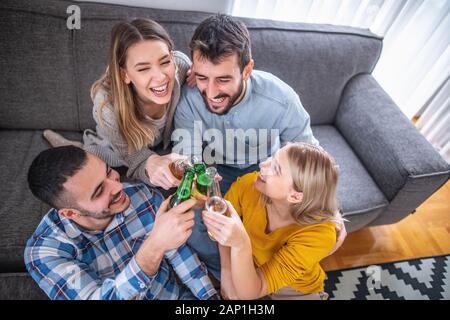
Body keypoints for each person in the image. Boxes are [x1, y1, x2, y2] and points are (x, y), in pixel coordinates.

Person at [24, 146, 218, 300]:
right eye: (99, 191)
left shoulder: (143, 196)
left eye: (108, 172)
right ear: (70, 213)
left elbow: (182, 258)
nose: (118, 186)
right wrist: (155, 245)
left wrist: (210, 297)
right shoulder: (44, 253)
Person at [172, 13, 319, 194]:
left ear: (247, 70)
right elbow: (188, 156)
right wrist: (194, 176)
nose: (211, 92)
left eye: (223, 79)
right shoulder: (188, 100)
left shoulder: (282, 99)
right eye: (202, 77)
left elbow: (310, 156)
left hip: (266, 169)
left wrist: (331, 207)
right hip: (216, 170)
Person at [44, 18, 195, 190]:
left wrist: (202, 76)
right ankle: (72, 147)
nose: (161, 77)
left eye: (165, 61)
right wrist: (151, 162)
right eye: (143, 68)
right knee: (94, 159)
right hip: (116, 147)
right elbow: (134, 158)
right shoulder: (107, 107)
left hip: (161, 142)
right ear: (125, 75)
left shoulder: (181, 66)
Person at [203, 143, 343, 300]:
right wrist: (227, 270)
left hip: (295, 289)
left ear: (295, 196)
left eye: (276, 168)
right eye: (272, 158)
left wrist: (240, 244)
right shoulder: (249, 185)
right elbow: (224, 220)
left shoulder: (320, 235)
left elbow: (253, 291)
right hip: (252, 270)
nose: (262, 164)